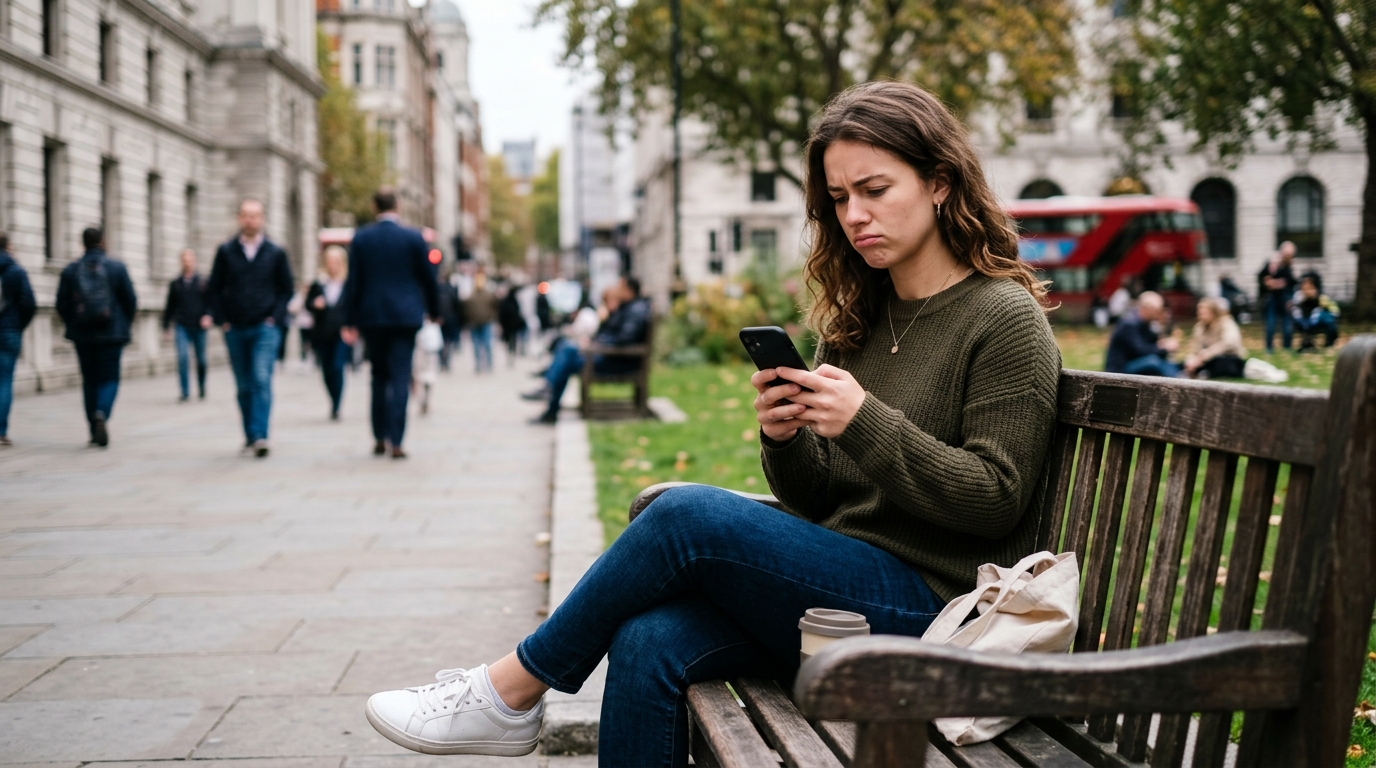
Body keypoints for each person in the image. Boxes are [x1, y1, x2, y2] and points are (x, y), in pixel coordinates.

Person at [365, 81, 1061, 765]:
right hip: (838, 595)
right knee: (649, 638)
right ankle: (510, 698)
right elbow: (819, 501)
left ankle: (510, 690)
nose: (854, 216)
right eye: (840, 198)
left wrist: (864, 422)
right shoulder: (859, 316)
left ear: (939, 182)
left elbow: (994, 501)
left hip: (935, 612)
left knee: (684, 513)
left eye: (875, 191)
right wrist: (786, 438)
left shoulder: (1002, 318)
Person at [340, 189, 440, 459]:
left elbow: (354, 282)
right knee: (400, 376)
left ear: (374, 206)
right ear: (398, 206)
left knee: (378, 377)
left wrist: (348, 319)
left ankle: (379, 436)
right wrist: (435, 311)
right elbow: (428, 279)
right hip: (405, 317)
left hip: (372, 317)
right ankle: (397, 440)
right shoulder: (413, 237)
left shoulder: (362, 238)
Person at [204, 198, 295, 458]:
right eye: (245, 215)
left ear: (262, 219)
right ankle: (250, 434)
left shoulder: (275, 252)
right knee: (244, 385)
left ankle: (260, 435)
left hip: (265, 327)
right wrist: (224, 321)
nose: (250, 220)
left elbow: (286, 289)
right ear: (238, 218)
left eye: (255, 216)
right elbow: (214, 289)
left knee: (261, 378)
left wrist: (274, 318)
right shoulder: (226, 251)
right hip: (236, 328)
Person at [55, 227, 137, 447]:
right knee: (109, 378)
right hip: (111, 334)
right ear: (103, 241)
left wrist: (74, 323)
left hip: (83, 335)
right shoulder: (116, 267)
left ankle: (93, 429)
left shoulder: (71, 270)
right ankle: (102, 413)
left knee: (89, 380)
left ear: (83, 243)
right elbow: (130, 300)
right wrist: (123, 324)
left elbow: (61, 304)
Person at [526, 279, 650, 424]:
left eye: (621, 287)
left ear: (629, 290)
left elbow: (624, 339)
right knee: (567, 350)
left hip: (618, 361)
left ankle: (549, 394)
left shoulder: (634, 310)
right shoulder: (628, 308)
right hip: (609, 357)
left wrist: (597, 343)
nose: (617, 290)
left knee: (567, 354)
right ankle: (549, 392)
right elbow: (614, 334)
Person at [306, 245, 351, 420]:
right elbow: (307, 304)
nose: (333, 265)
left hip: (342, 333)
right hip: (322, 333)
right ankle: (333, 399)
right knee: (326, 370)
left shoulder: (348, 284)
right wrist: (314, 304)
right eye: (330, 262)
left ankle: (337, 405)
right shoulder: (319, 284)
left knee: (337, 366)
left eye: (336, 262)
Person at [0, 232, 37, 447]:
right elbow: (29, 303)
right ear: (9, 246)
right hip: (9, 330)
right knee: (4, 380)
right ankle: (1, 431)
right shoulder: (15, 270)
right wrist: (18, 324)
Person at [162, 249, 209, 402]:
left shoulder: (202, 282)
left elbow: (211, 302)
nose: (187, 263)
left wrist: (208, 316)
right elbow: (169, 306)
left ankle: (201, 386)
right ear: (181, 262)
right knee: (182, 358)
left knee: (201, 359)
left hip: (199, 325)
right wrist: (166, 327)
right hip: (182, 325)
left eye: (190, 260)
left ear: (194, 261)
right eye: (184, 260)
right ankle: (185, 391)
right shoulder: (176, 284)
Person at [1104, 291, 1181, 377]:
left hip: (1134, 362)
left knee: (1164, 362)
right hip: (1120, 368)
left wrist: (1163, 343)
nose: (1158, 314)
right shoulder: (1130, 323)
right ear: (1146, 309)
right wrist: (1165, 349)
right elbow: (1141, 351)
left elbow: (1152, 344)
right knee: (1153, 362)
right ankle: (1177, 381)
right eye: (1156, 310)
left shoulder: (1146, 323)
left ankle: (1180, 376)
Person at [1183, 297, 1246, 379]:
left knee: (1222, 363)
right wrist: (1191, 359)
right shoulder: (1199, 327)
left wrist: (1208, 353)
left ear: (1212, 312)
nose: (1200, 315)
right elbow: (1195, 348)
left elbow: (1230, 342)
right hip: (1206, 360)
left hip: (1228, 357)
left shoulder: (1226, 322)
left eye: (1204, 313)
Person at [1257, 241, 1297, 352]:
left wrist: (1279, 283)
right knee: (1270, 325)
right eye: (1286, 255)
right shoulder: (1271, 264)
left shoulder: (1289, 267)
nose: (1288, 257)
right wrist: (1269, 283)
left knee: (1287, 325)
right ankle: (1269, 349)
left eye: (1290, 255)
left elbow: (1291, 282)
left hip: (1285, 299)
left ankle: (1287, 348)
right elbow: (1262, 278)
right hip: (1272, 299)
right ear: (1281, 253)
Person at [1291, 273, 1340, 350]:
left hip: (1317, 320)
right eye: (1305, 286)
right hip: (1303, 320)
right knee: (1303, 324)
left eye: (1309, 286)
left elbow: (1332, 310)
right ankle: (1307, 343)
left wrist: (1316, 298)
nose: (1307, 289)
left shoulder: (1321, 297)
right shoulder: (1298, 297)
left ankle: (1329, 344)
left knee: (1330, 323)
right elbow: (1295, 311)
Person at [464, 271, 498, 373]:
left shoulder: (475, 295)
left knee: (482, 345)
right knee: (481, 345)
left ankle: (485, 364)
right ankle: (483, 365)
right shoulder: (473, 295)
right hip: (479, 323)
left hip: (483, 322)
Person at [498, 284, 527, 365]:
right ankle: (511, 355)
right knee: (512, 342)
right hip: (512, 326)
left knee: (508, 342)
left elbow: (501, 315)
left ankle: (510, 355)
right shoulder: (514, 302)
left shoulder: (506, 302)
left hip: (508, 326)